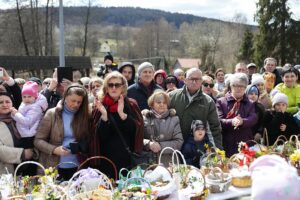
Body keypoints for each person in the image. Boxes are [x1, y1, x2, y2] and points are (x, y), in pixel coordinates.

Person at [92, 71, 144, 178]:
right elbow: (99, 136)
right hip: (105, 160)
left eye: (117, 85)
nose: (114, 88)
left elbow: (137, 130)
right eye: (110, 85)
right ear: (106, 87)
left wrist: (122, 115)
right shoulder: (99, 106)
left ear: (123, 87)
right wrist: (104, 117)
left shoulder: (131, 104)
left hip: (126, 159)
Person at [34, 84, 90, 180]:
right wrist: (54, 149)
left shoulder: (85, 116)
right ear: (65, 97)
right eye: (73, 101)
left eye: (79, 102)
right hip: (54, 166)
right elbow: (38, 141)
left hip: (78, 166)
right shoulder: (52, 114)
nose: (76, 104)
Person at [169, 68, 222, 149]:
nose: (194, 82)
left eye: (197, 79)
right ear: (185, 80)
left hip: (196, 149)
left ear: (201, 81)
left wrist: (217, 151)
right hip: (173, 146)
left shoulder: (208, 101)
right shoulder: (172, 97)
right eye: (191, 79)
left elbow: (214, 129)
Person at [216, 73, 257, 157]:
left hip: (245, 142)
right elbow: (218, 120)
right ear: (231, 87)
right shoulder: (221, 101)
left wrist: (242, 121)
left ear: (245, 88)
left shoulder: (250, 103)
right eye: (235, 85)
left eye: (241, 86)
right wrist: (232, 121)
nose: (238, 88)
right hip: (227, 142)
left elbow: (253, 118)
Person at [11, 81, 48, 168]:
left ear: (35, 97)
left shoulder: (35, 107)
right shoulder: (25, 104)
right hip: (25, 133)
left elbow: (27, 121)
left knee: (29, 159)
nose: (26, 99)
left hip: (29, 135)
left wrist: (15, 114)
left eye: (29, 96)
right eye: (24, 97)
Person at [142, 91, 183, 166]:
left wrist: (161, 146)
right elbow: (137, 139)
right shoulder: (144, 118)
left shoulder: (174, 119)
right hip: (148, 162)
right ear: (152, 104)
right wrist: (148, 144)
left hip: (169, 162)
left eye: (164, 103)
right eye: (158, 102)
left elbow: (179, 142)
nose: (162, 105)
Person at [0, 92, 33, 174]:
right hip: (6, 169)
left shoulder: (20, 118)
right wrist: (22, 154)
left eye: (7, 102)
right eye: (1, 102)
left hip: (27, 167)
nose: (4, 105)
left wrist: (33, 151)